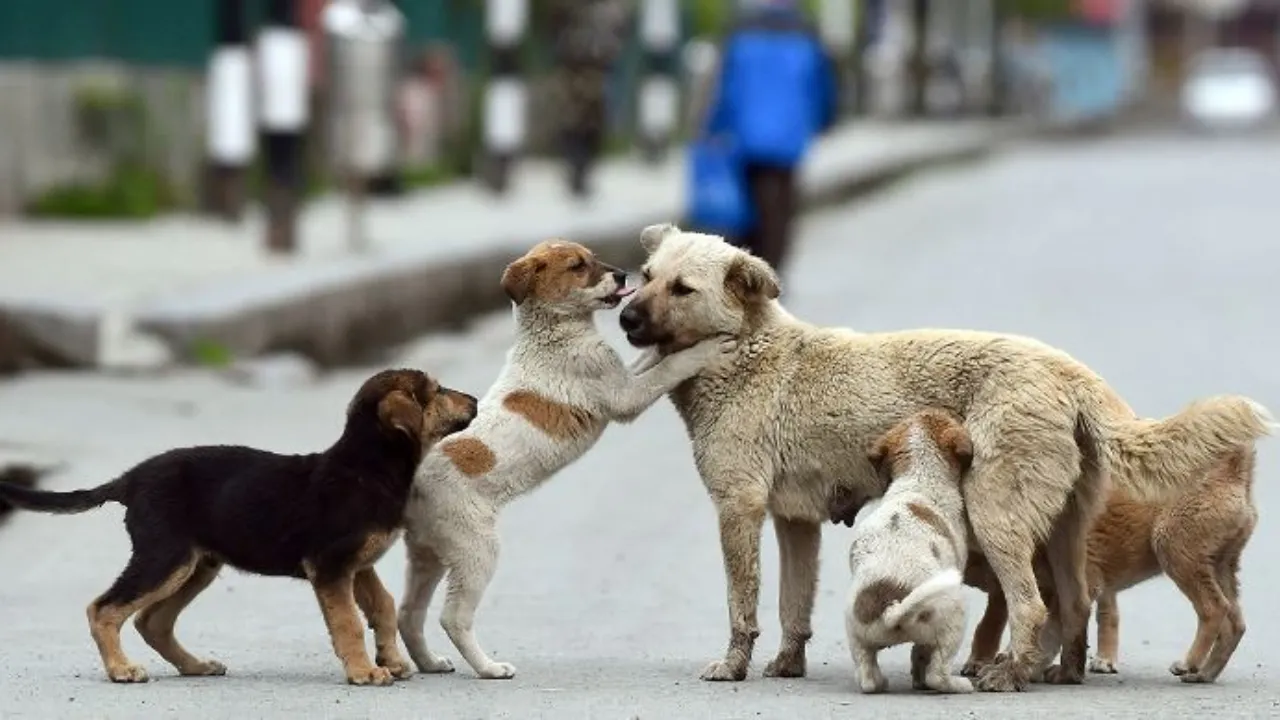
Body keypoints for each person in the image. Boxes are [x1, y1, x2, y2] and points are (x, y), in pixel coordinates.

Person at [702, 0, 838, 274]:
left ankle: (746, 264)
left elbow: (726, 88)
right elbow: (821, 84)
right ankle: (771, 269)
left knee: (748, 205)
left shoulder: (739, 28)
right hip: (790, 133)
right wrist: (825, 121)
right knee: (782, 205)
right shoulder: (805, 30)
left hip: (746, 134)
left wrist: (715, 126)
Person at [547, 0, 629, 198]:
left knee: (593, 123)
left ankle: (583, 171)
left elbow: (619, 26)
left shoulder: (607, 9)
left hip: (597, 67)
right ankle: (575, 169)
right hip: (574, 66)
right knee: (572, 120)